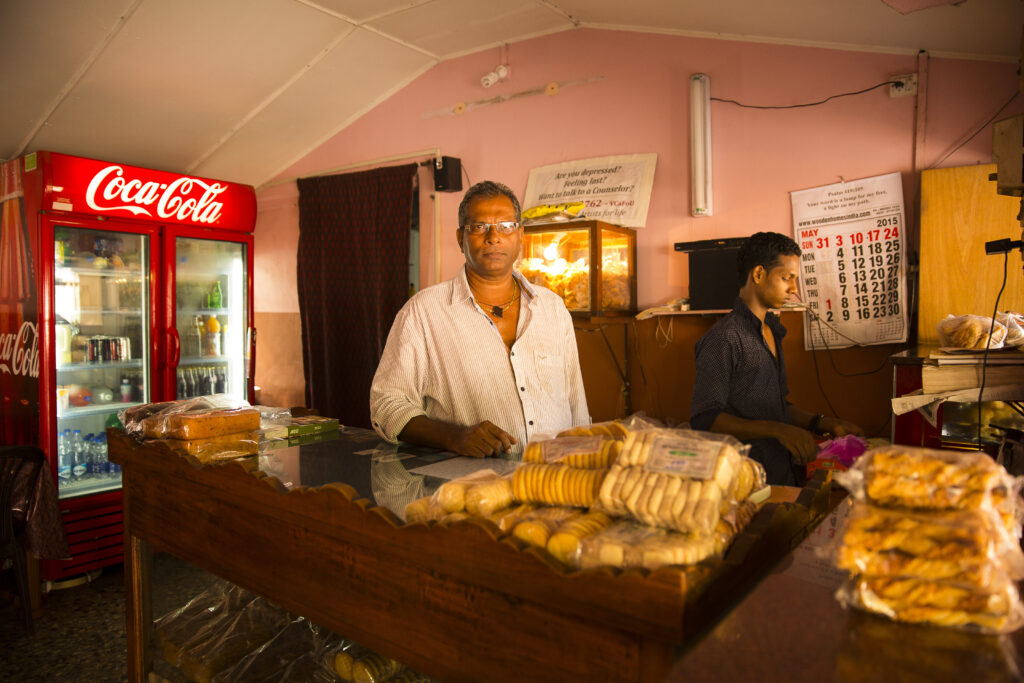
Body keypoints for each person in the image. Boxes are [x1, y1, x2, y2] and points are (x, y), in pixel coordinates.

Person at [370, 180, 590, 458]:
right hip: (470, 486)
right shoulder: (424, 312)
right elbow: (387, 405)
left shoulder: (552, 308)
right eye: (479, 227)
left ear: (520, 235)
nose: (493, 237)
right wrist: (455, 437)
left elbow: (575, 402)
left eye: (506, 226)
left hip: (555, 480)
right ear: (461, 238)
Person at [689, 231, 863, 485]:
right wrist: (778, 430)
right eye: (786, 278)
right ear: (758, 274)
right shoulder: (725, 338)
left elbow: (776, 406)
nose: (793, 289)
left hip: (781, 470)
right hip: (743, 480)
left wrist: (823, 423)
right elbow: (704, 418)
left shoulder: (772, 330)